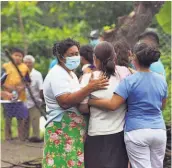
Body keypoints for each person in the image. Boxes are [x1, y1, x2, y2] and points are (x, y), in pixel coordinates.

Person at [89, 43, 167, 168]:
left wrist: (91, 101)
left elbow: (113, 104)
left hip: (137, 131)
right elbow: (162, 106)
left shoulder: (129, 80)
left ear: (133, 57)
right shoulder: (161, 79)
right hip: (159, 131)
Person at [42, 38, 108, 167]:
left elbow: (77, 95)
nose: (75, 57)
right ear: (61, 57)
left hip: (71, 128)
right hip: (61, 126)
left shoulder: (70, 74)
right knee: (60, 162)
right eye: (71, 55)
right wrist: (89, 88)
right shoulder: (57, 74)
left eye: (77, 53)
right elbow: (65, 102)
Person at [78, 41, 129, 168]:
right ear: (115, 57)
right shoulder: (123, 78)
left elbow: (82, 108)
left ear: (95, 59)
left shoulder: (88, 79)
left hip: (95, 132)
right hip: (118, 134)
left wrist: (91, 103)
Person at [2, 48, 30, 141]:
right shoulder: (5, 66)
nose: (17, 57)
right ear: (12, 56)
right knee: (8, 117)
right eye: (16, 55)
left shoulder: (25, 67)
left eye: (20, 56)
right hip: (7, 96)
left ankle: (20, 137)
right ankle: (7, 137)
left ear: (22, 58)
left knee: (21, 117)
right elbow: (0, 81)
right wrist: (9, 88)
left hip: (20, 96)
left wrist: (22, 87)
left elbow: (28, 82)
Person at [23, 55, 44, 142]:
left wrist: (41, 99)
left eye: (30, 62)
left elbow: (41, 88)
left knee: (35, 120)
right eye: (26, 62)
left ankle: (36, 137)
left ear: (33, 64)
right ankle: (24, 138)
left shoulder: (37, 74)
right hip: (23, 101)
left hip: (35, 101)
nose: (28, 64)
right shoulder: (20, 73)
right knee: (24, 120)